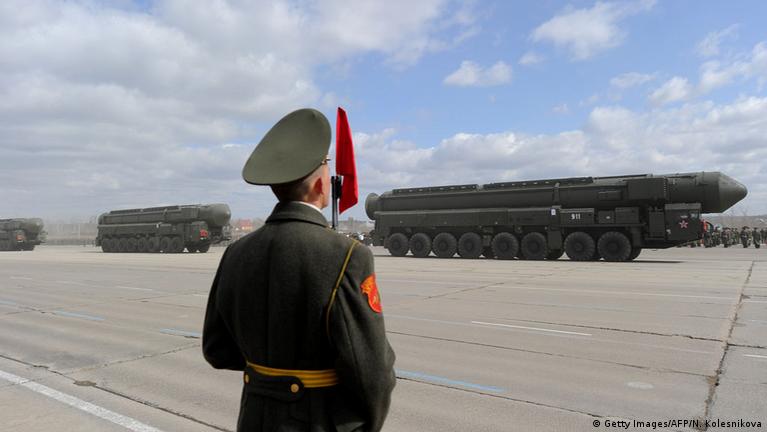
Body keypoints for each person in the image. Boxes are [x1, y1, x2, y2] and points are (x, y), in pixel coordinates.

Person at [202, 108, 396, 431]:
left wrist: (268, 373)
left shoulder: (236, 252)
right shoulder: (348, 255)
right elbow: (371, 372)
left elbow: (217, 350)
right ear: (321, 184)